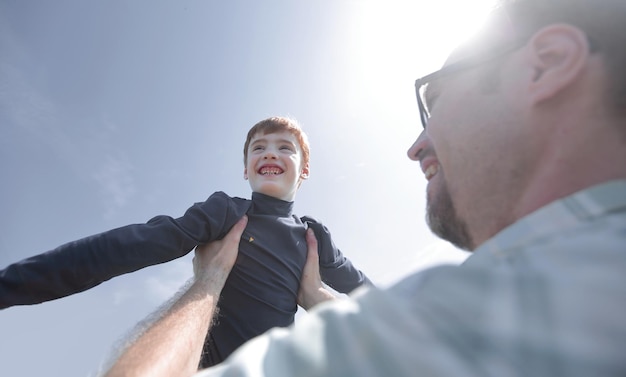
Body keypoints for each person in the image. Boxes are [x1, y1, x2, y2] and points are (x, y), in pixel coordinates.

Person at [102, 0, 626, 376]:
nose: (416, 145)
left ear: (548, 64)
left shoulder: (481, 311)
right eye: (259, 148)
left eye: (435, 99)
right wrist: (319, 294)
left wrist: (208, 283)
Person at [0, 117, 371, 366]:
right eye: (258, 148)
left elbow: (366, 294)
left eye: (284, 147)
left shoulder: (313, 236)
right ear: (245, 169)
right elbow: (134, 245)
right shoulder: (227, 212)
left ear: (304, 169)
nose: (270, 152)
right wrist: (10, 285)